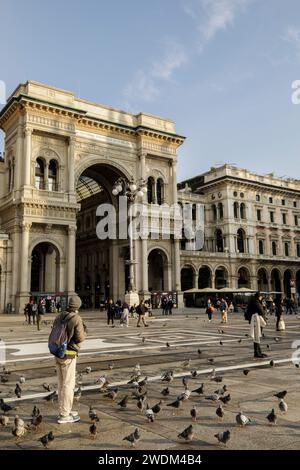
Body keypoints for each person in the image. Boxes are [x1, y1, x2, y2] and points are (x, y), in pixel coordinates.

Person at [53, 295, 86, 424]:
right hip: (69, 355)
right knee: (68, 384)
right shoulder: (76, 318)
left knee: (61, 384)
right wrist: (85, 332)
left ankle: (64, 409)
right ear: (78, 306)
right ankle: (65, 414)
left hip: (58, 354)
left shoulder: (59, 316)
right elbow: (80, 338)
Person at [246, 292, 267, 358]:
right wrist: (264, 308)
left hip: (256, 320)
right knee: (257, 336)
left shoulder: (254, 301)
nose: (261, 298)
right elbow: (261, 311)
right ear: (258, 296)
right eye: (261, 297)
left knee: (257, 336)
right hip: (256, 321)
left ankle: (258, 352)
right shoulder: (256, 302)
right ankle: (257, 353)